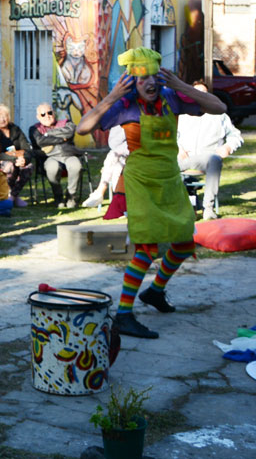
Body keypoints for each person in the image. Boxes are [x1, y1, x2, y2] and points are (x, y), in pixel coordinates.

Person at [76, 47, 226, 339]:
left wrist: (182, 86)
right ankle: (123, 315)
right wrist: (112, 96)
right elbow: (84, 128)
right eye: (143, 78)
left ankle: (155, 292)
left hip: (170, 178)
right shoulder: (126, 105)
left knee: (184, 244)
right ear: (133, 81)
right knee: (146, 249)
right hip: (141, 181)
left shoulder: (172, 98)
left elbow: (219, 108)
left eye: (154, 76)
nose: (150, 83)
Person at [177, 80, 244, 220]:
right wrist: (177, 148)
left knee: (214, 160)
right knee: (163, 165)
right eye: (196, 92)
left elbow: (235, 136)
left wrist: (228, 146)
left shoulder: (219, 115)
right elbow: (170, 135)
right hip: (182, 157)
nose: (200, 95)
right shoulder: (182, 113)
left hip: (206, 158)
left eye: (204, 93)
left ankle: (208, 208)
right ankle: (182, 206)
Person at [31, 103, 84, 208]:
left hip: (69, 154)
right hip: (49, 157)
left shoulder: (66, 123)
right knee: (52, 168)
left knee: (76, 166)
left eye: (49, 112)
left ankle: (71, 195)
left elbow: (69, 132)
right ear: (38, 117)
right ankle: (58, 196)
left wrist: (48, 134)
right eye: (43, 114)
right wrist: (61, 139)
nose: (47, 116)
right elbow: (39, 141)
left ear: (53, 113)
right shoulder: (34, 129)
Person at [0, 104, 32, 207]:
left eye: (5, 116)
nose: (2, 119)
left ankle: (13, 196)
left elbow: (26, 147)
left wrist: (25, 159)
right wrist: (14, 158)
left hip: (18, 159)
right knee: (9, 166)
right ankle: (7, 194)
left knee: (28, 166)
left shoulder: (15, 129)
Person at [83, 127, 129, 208]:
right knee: (116, 168)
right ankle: (120, 205)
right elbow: (115, 143)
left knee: (114, 159)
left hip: (133, 156)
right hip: (122, 160)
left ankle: (100, 192)